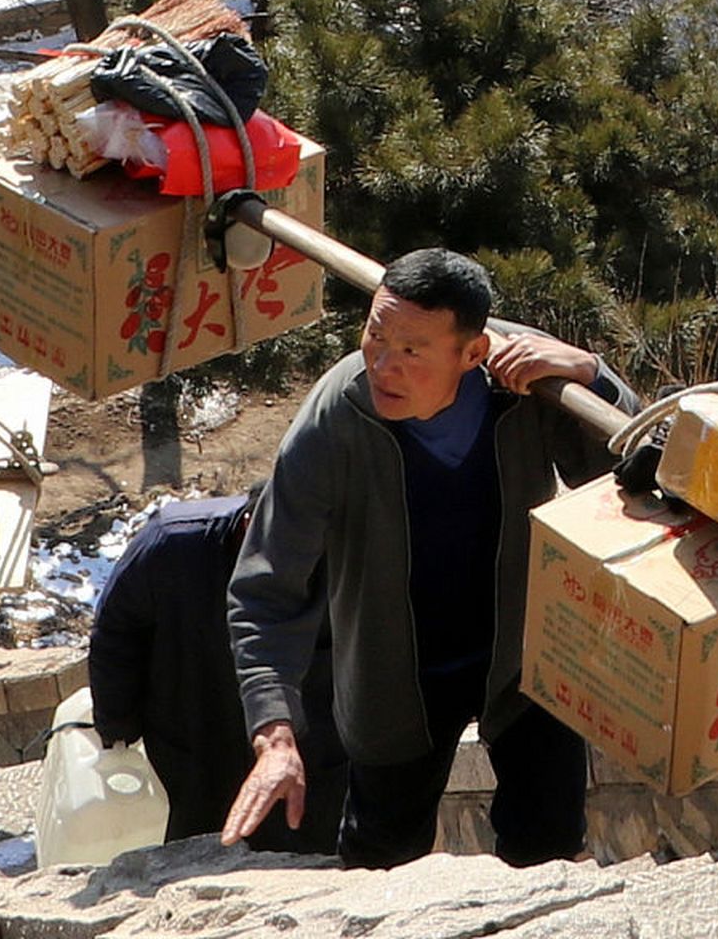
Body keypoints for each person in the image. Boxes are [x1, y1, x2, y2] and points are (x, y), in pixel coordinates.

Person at [221, 248, 638, 869]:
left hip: (524, 655)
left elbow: (642, 464)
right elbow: (265, 587)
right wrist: (275, 732)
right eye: (374, 336)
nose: (383, 365)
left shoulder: (527, 380)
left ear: (470, 355)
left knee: (549, 850)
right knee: (381, 862)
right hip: (394, 673)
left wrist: (591, 374)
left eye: (412, 351)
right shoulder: (335, 418)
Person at [88, 488, 346, 852]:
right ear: (247, 526)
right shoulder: (171, 546)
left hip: (309, 746)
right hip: (195, 730)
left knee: (306, 850)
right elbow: (115, 633)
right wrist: (117, 724)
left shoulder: (345, 559)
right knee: (199, 844)